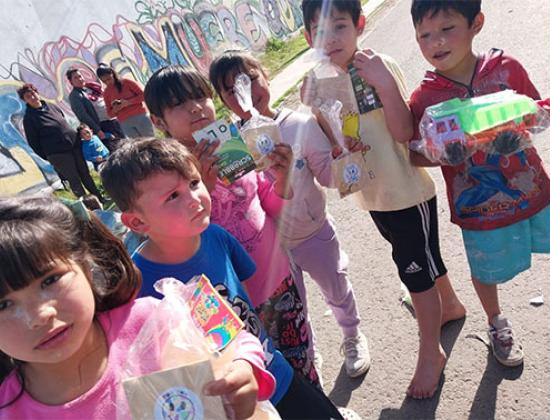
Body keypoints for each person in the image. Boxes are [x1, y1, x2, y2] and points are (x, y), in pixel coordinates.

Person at [99, 137, 346, 419]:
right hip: (225, 404)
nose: (194, 200)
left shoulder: (217, 236)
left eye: (193, 183)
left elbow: (250, 300)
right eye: (172, 197)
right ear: (138, 223)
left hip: (274, 371)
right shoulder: (137, 290)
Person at [299, 0, 467, 399]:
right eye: (320, 32)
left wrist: (384, 84)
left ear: (359, 24)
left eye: (340, 26)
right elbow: (332, 140)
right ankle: (451, 305)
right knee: (422, 259)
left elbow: (405, 130)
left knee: (414, 272)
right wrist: (334, 136)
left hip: (406, 191)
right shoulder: (317, 83)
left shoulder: (379, 65)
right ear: (308, 38)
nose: (332, 39)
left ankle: (431, 353)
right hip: (373, 195)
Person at [0, 195, 275, 419]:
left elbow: (236, 338)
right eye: (1, 305)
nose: (39, 316)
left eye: (49, 280)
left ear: (86, 267)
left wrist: (243, 368)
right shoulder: (6, 414)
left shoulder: (151, 315)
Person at [141, 65, 325, 388]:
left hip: (278, 275)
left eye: (200, 96)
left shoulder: (231, 142)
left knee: (302, 361)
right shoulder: (168, 177)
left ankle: (321, 405)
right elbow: (176, 240)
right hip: (233, 304)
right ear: (159, 122)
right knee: (261, 384)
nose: (196, 107)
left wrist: (282, 180)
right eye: (179, 104)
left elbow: (264, 201)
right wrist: (203, 190)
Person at [408, 0, 550, 368]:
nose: (436, 42)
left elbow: (539, 109)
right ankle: (496, 321)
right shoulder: (424, 99)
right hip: (477, 204)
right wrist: (444, 155)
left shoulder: (505, 69)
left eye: (446, 29)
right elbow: (416, 153)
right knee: (484, 266)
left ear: (477, 24)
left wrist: (520, 130)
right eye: (425, 34)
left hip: (530, 188)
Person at [209, 50, 371, 378]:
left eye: (249, 78)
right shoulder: (231, 145)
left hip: (313, 234)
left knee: (336, 288)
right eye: (230, 89)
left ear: (266, 76)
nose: (243, 91)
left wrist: (340, 149)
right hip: (274, 248)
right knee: (294, 308)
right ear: (223, 100)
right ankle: (308, 353)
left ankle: (352, 335)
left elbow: (328, 176)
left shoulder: (299, 125)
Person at [18, 83, 105, 202]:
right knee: (74, 180)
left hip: (74, 146)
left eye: (33, 93)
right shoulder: (29, 118)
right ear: (24, 100)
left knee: (85, 174)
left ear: (37, 93)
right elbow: (33, 142)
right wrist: (50, 156)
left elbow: (63, 121)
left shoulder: (51, 106)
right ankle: (88, 206)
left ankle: (99, 199)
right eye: (28, 96)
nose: (32, 97)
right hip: (58, 154)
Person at [66, 67, 125, 152]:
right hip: (103, 126)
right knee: (118, 150)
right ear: (71, 82)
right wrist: (98, 131)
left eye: (80, 76)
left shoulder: (91, 87)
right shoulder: (75, 96)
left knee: (127, 144)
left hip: (114, 120)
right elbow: (83, 116)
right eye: (75, 78)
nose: (80, 79)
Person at [96, 63, 154, 138]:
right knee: (139, 146)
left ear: (112, 73)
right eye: (104, 81)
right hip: (125, 122)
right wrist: (115, 109)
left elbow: (144, 95)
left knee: (151, 141)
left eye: (108, 79)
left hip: (140, 116)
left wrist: (128, 102)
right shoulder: (106, 93)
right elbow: (110, 114)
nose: (107, 82)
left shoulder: (126, 82)